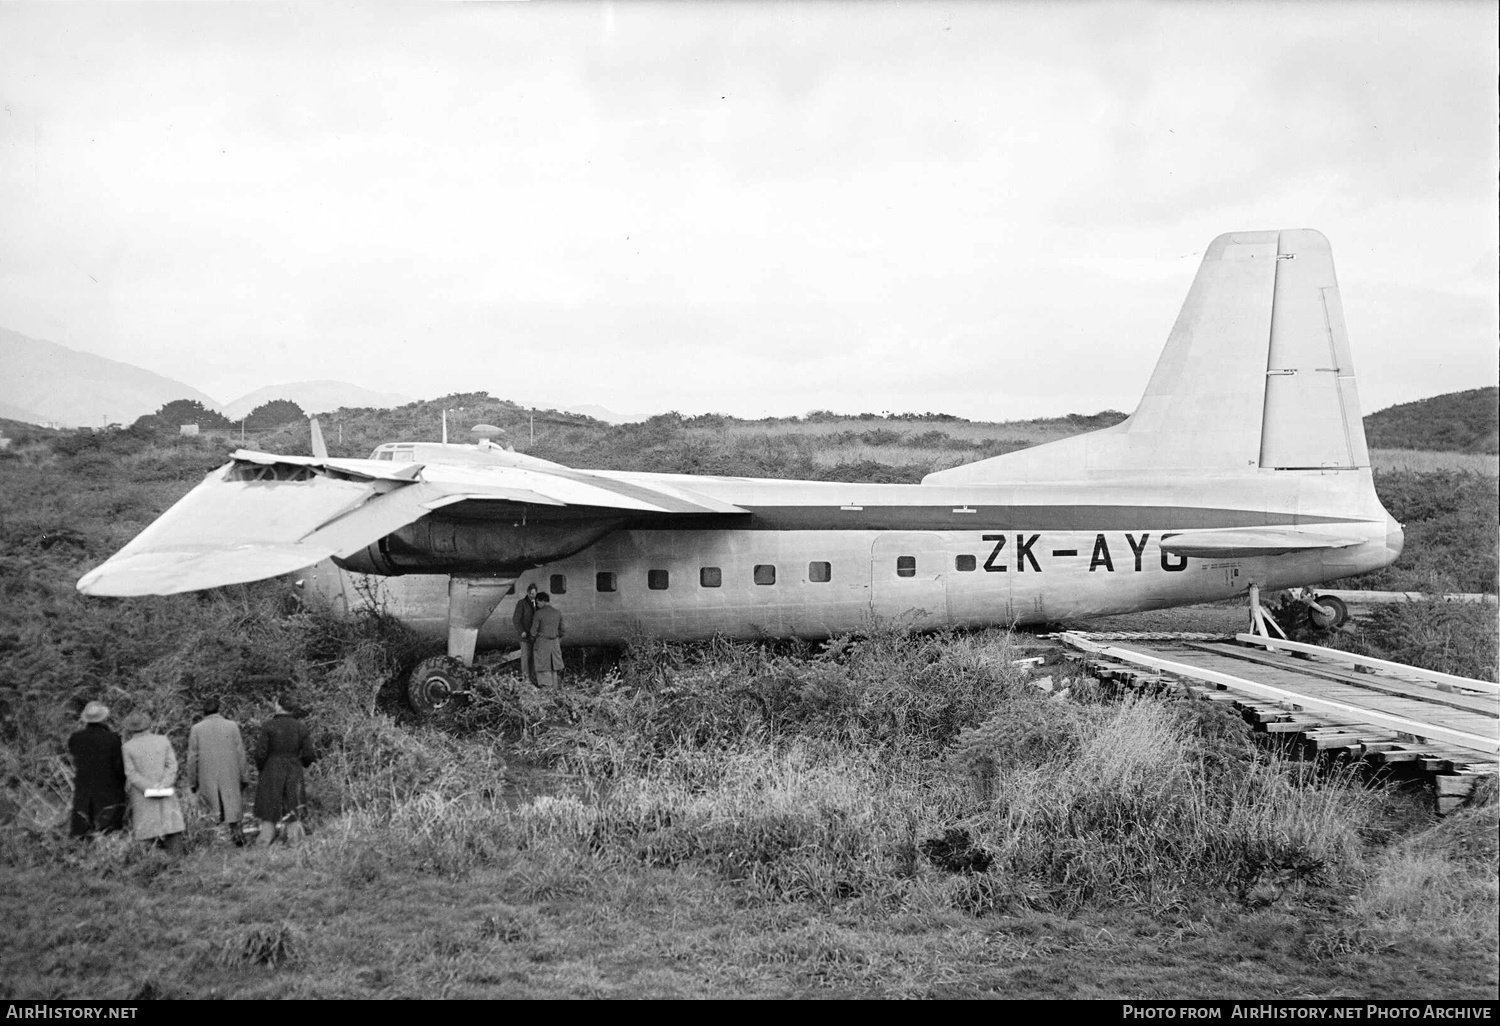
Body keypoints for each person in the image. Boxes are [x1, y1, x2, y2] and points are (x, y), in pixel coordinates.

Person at [252, 697, 317, 846]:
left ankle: (264, 841)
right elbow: (309, 754)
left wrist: (262, 767)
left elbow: (260, 753)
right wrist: (302, 763)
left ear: (279, 706)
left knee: (269, 805)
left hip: (272, 767)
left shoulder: (269, 726)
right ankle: (294, 840)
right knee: (293, 805)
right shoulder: (301, 727)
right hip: (293, 766)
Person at [186, 697, 250, 846]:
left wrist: (192, 781)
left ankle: (211, 843)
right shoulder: (232, 726)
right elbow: (241, 753)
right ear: (218, 709)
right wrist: (244, 776)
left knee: (210, 811)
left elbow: (192, 758)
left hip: (207, 776)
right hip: (230, 774)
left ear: (203, 711)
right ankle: (238, 839)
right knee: (233, 808)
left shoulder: (196, 729)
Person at [120, 711, 186, 851]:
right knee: (171, 826)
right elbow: (173, 765)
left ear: (130, 728)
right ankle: (178, 862)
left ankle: (153, 865)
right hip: (165, 790)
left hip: (142, 794)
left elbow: (130, 773)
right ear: (148, 725)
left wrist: (149, 788)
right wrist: (164, 784)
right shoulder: (162, 740)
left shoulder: (127, 747)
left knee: (147, 831)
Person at [67, 702, 128, 838]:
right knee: (108, 831)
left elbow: (74, 757)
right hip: (108, 790)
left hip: (83, 790)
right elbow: (119, 767)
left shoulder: (75, 738)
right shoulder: (113, 739)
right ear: (103, 718)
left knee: (81, 833)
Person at [530, 591, 565, 688]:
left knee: (542, 667)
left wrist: (533, 639)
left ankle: (546, 690)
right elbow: (562, 630)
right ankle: (554, 689)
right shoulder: (557, 612)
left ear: (541, 601)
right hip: (555, 644)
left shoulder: (538, 613)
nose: (537, 605)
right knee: (554, 667)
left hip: (542, 643)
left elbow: (533, 631)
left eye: (537, 603)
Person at [511, 583, 539, 685]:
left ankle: (534, 679)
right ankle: (526, 680)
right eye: (531, 594)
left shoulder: (538, 603)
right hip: (525, 636)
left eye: (534, 594)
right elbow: (516, 619)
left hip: (535, 636)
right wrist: (521, 631)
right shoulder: (521, 603)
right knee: (526, 658)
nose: (533, 596)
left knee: (534, 658)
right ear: (527, 593)